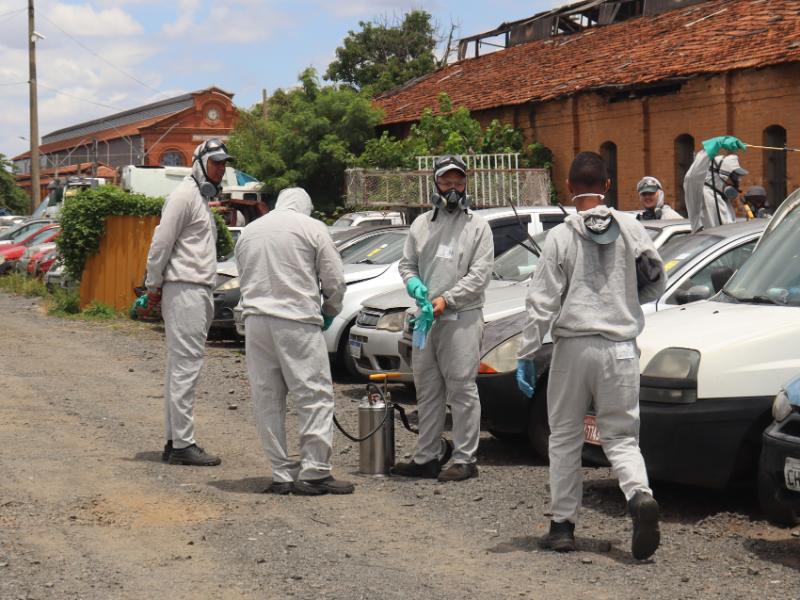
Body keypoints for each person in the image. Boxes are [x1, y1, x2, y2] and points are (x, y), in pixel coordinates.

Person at [516, 151, 666, 560]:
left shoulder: (561, 236)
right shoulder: (632, 228)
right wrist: (628, 298)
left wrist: (527, 352)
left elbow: (541, 302)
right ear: (607, 187)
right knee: (620, 436)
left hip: (573, 348)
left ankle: (563, 527)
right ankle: (639, 498)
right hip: (620, 349)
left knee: (564, 437)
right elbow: (655, 281)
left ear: (568, 188)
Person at [235, 187, 353, 496]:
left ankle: (281, 474)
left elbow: (244, 276)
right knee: (313, 394)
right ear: (306, 207)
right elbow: (334, 279)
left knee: (267, 398)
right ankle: (314, 472)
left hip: (257, 322)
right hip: (296, 320)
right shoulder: (312, 227)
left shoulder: (250, 231)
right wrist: (330, 310)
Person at [393, 155, 494, 482]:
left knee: (462, 389)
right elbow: (407, 264)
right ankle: (427, 456)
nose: (453, 188)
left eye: (459, 181)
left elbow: (479, 275)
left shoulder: (478, 227)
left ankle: (465, 458)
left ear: (467, 182)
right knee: (427, 389)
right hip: (426, 319)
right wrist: (414, 285)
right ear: (435, 182)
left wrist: (446, 300)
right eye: (446, 181)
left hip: (461, 318)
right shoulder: (421, 224)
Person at [145, 139, 233, 466]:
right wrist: (153, 283)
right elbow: (160, 242)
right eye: (216, 163)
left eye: (224, 163)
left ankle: (174, 440)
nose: (221, 169)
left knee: (178, 368)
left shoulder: (197, 197)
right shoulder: (183, 196)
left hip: (193, 289)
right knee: (186, 367)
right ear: (199, 163)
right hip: (186, 289)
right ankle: (183, 443)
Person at [684, 136, 748, 232]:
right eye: (734, 176)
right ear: (719, 175)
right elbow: (692, 177)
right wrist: (716, 144)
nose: (737, 181)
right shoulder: (700, 194)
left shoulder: (724, 199)